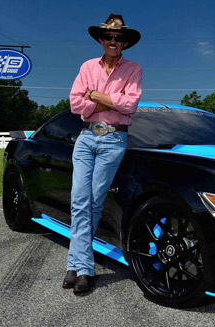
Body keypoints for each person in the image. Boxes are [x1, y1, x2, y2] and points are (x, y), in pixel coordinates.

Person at [63, 14, 143, 294]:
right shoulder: (87, 66)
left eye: (118, 37)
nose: (113, 41)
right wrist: (109, 101)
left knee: (95, 201)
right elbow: (75, 104)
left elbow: (129, 105)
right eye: (108, 36)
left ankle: (76, 266)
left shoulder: (133, 70)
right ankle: (84, 268)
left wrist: (94, 96)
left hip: (114, 139)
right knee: (78, 201)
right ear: (100, 39)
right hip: (86, 138)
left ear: (125, 43)